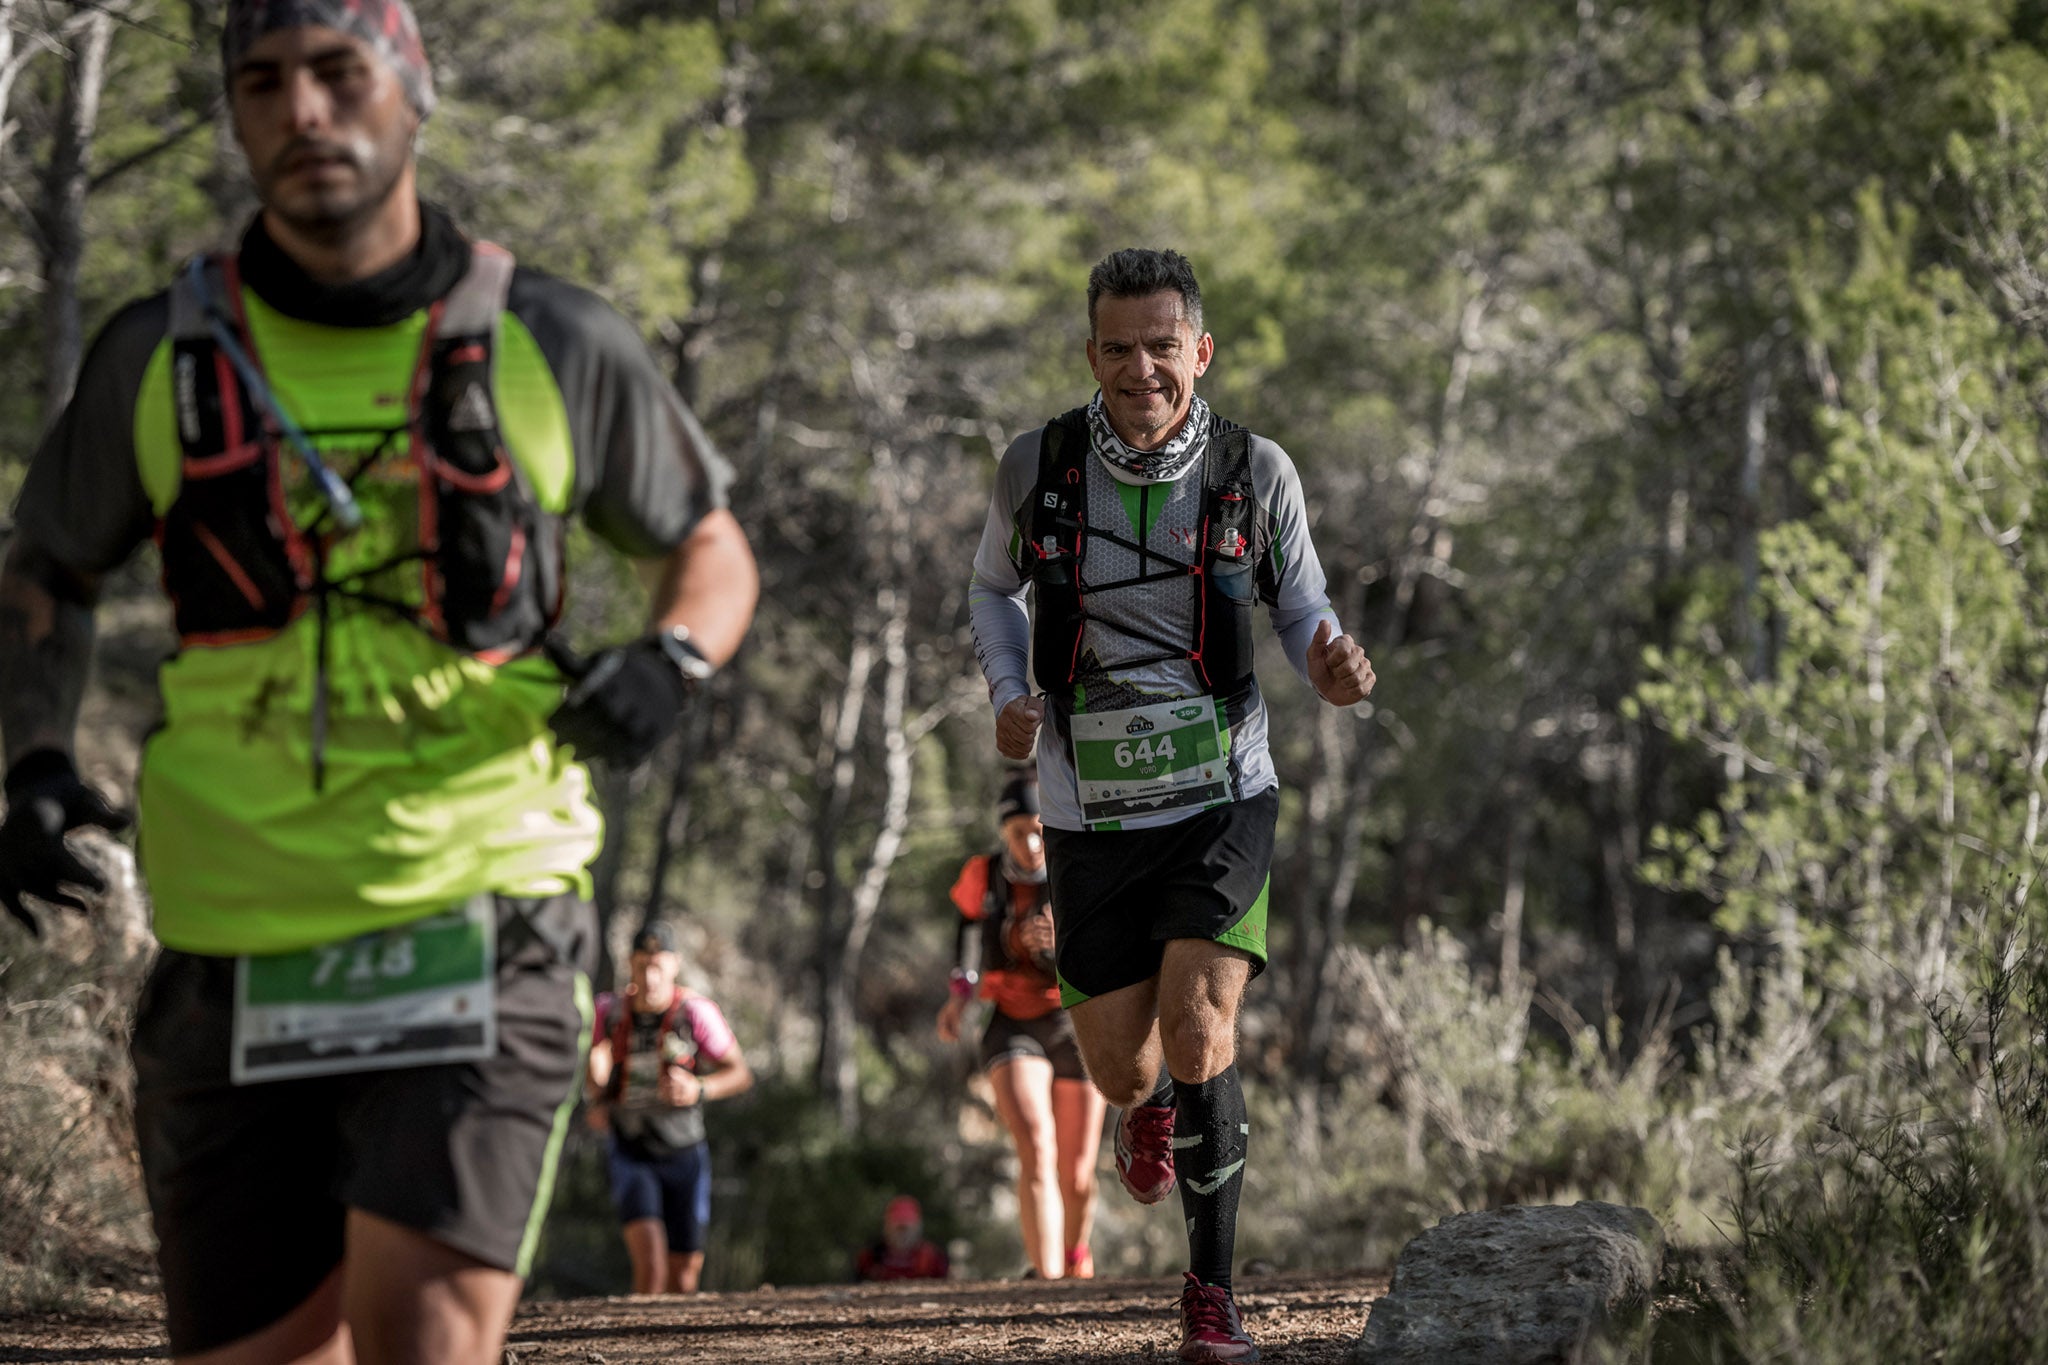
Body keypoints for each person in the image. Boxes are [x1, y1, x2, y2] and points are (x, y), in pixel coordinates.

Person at [0, 3, 759, 1361]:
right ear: (233, 116)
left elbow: (706, 542)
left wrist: (676, 658)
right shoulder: (152, 356)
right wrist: (32, 760)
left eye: (340, 75)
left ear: (412, 91)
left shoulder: (555, 338)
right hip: (232, 927)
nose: (303, 112)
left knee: (418, 1335)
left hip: (483, 909)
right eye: (263, 84)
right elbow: (44, 572)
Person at [966, 248, 1376, 1362]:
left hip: (1220, 786)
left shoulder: (1255, 470)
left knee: (1200, 1031)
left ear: (1199, 350)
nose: (1140, 369)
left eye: (1161, 345)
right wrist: (1010, 693)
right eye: (1116, 347)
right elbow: (990, 590)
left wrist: (1325, 662)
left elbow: (1301, 607)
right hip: (1087, 806)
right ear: (1090, 352)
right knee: (1121, 1068)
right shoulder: (1036, 466)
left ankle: (1210, 1296)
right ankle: (1142, 1114)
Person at [936, 772, 1104, 1279]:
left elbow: (1112, 944)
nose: (1030, 844)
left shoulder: (1078, 868)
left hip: (1076, 1022)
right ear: (1002, 832)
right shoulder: (984, 875)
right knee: (1035, 1145)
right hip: (1012, 1022)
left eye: (1038, 830)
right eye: (1016, 833)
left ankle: (1076, 1256)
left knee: (1075, 1175)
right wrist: (959, 997)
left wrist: (1064, 938)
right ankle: (1046, 1280)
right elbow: (967, 933)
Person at [585, 920, 753, 1294]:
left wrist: (699, 1089)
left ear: (675, 964)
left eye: (658, 965)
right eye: (643, 964)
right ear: (630, 963)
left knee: (683, 1276)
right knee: (652, 1266)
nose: (650, 975)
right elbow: (593, 1053)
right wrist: (596, 1096)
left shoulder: (695, 1013)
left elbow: (740, 1073)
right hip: (631, 1148)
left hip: (684, 1151)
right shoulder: (609, 1011)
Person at [853, 1196, 950, 1282]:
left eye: (906, 1228)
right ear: (887, 1226)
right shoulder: (871, 1258)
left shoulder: (932, 1259)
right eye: (898, 1228)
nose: (903, 1234)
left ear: (918, 1227)